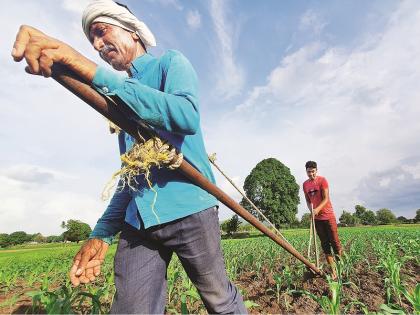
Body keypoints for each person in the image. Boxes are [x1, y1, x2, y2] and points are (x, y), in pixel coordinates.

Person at [11, 0, 247, 313]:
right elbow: (134, 174)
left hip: (190, 207)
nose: (97, 44)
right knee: (132, 308)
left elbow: (185, 116)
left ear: (131, 31)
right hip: (140, 221)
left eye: (101, 31)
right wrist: (102, 233)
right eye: (91, 42)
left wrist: (86, 67)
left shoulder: (169, 64)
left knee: (220, 300)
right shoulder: (119, 96)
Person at [302, 161, 342, 278]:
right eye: (309, 172)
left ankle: (341, 267)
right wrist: (312, 211)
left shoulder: (322, 181)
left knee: (335, 243)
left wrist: (317, 209)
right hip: (317, 219)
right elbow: (308, 201)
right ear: (306, 172)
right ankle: (334, 271)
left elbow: (326, 199)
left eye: (313, 171)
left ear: (316, 170)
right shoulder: (305, 185)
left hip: (328, 216)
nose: (311, 174)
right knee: (325, 244)